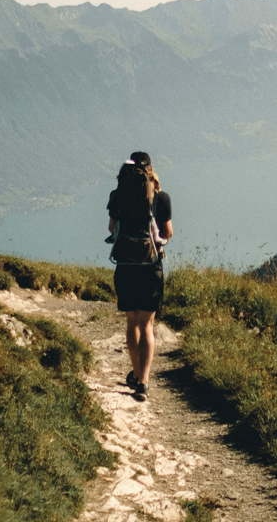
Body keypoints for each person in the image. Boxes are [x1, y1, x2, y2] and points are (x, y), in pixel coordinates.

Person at [106, 151, 172, 402]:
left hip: (125, 265)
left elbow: (112, 228)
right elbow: (168, 233)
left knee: (131, 322)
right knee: (147, 325)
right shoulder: (161, 198)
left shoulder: (117, 195)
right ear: (151, 170)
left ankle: (135, 373)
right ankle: (143, 382)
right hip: (150, 266)